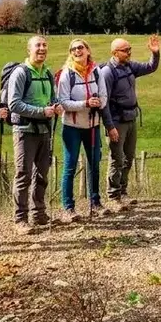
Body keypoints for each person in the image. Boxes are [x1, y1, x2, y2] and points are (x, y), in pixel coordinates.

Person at [6, 35, 62, 234]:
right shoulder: (20, 73)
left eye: (44, 45)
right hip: (24, 131)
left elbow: (53, 98)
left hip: (44, 130)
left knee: (42, 173)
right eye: (37, 45)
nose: (42, 48)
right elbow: (14, 104)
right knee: (23, 174)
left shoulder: (47, 73)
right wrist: (41, 112)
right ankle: (20, 219)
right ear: (28, 50)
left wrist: (56, 107)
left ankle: (39, 213)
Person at [99, 35, 160, 210]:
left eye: (129, 49)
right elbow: (104, 102)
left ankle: (123, 191)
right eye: (125, 50)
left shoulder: (129, 66)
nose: (129, 52)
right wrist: (110, 126)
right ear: (114, 52)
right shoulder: (107, 72)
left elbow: (150, 67)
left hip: (131, 118)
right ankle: (113, 195)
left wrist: (155, 54)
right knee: (116, 158)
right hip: (117, 121)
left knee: (129, 157)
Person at [57, 39, 111, 221]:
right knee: (70, 165)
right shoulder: (67, 74)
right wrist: (85, 104)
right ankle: (68, 207)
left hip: (93, 125)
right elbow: (63, 102)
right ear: (70, 53)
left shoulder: (97, 71)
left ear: (88, 50)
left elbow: (104, 96)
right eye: (73, 49)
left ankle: (95, 202)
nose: (77, 51)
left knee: (94, 163)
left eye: (81, 47)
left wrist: (98, 103)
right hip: (72, 127)